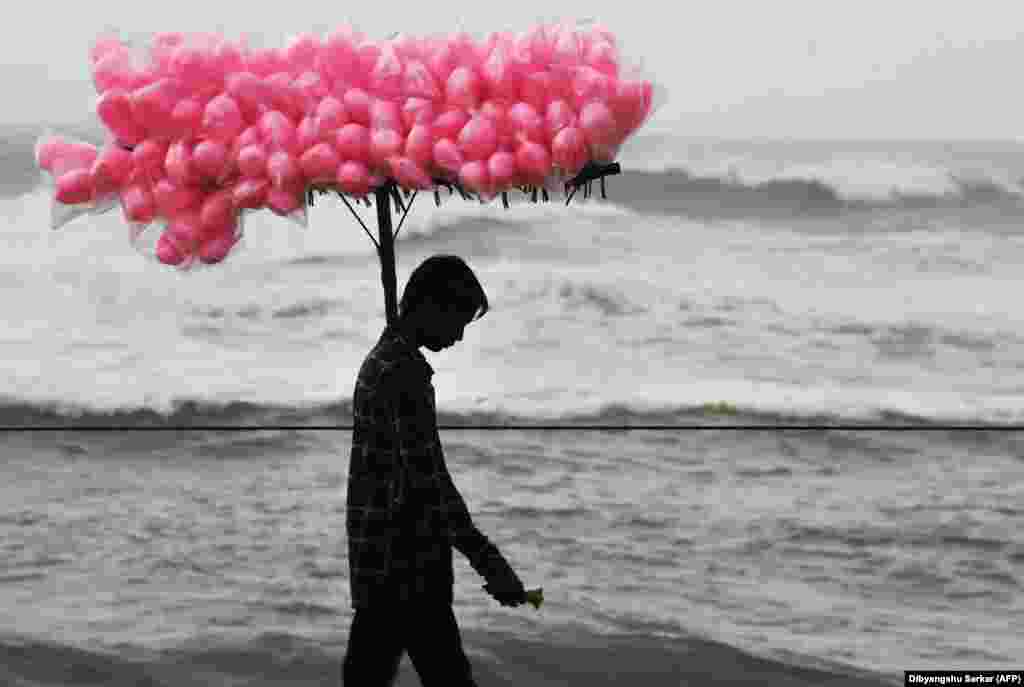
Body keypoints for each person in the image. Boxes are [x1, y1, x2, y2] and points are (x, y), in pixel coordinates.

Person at [343, 254, 527, 687]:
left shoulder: (384, 359)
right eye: (458, 320)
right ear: (428, 306)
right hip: (407, 568)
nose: (460, 337)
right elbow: (430, 484)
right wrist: (489, 561)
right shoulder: (403, 373)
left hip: (378, 561)